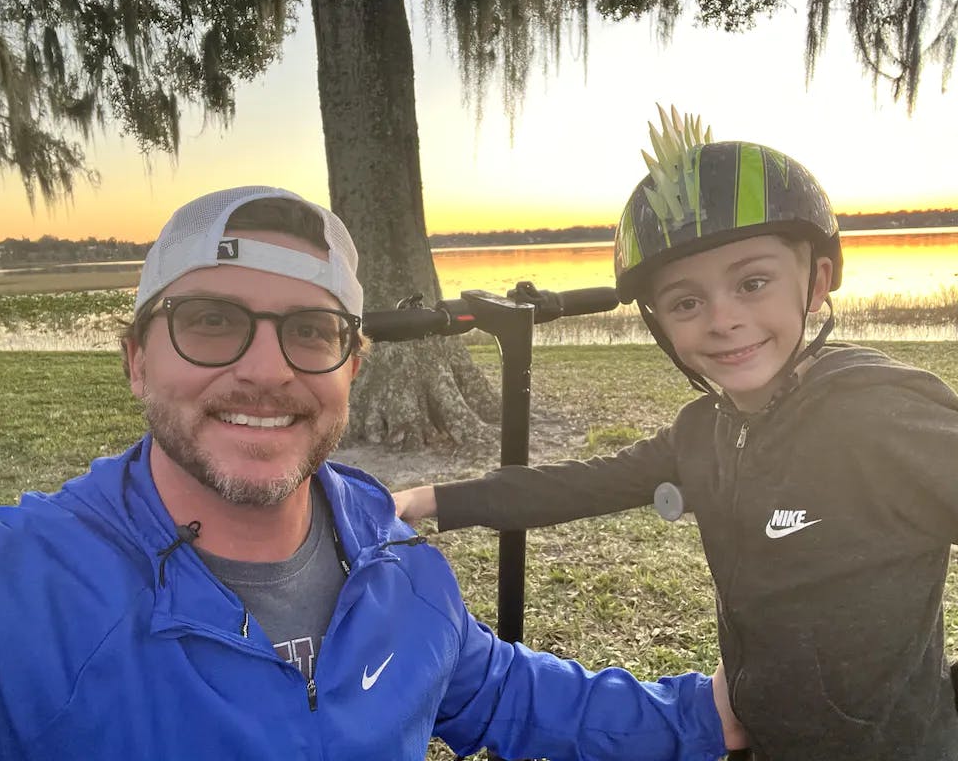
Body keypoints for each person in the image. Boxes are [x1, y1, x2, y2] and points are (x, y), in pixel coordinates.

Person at [0, 185, 745, 760]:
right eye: (211, 321)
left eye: (311, 331)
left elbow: (502, 690)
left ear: (352, 367)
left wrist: (706, 714)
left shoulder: (393, 559)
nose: (266, 370)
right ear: (137, 361)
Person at [394, 109, 958, 760]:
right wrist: (431, 499)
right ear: (658, 320)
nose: (723, 319)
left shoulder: (880, 417)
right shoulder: (705, 431)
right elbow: (585, 484)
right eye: (687, 302)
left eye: (753, 283)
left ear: (817, 282)